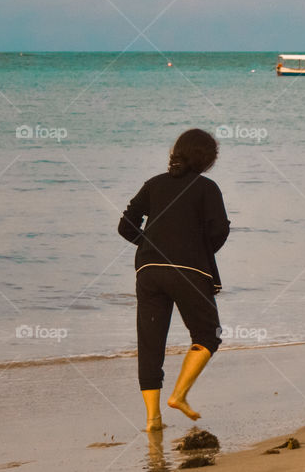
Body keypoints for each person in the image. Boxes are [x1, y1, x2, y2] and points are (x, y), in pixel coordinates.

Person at [119, 129, 230, 431]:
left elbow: (126, 225)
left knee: (150, 344)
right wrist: (195, 248)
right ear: (206, 159)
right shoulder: (207, 188)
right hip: (189, 270)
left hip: (148, 269)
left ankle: (152, 419)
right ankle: (178, 396)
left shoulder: (154, 184)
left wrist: (150, 244)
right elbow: (219, 231)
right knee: (208, 335)